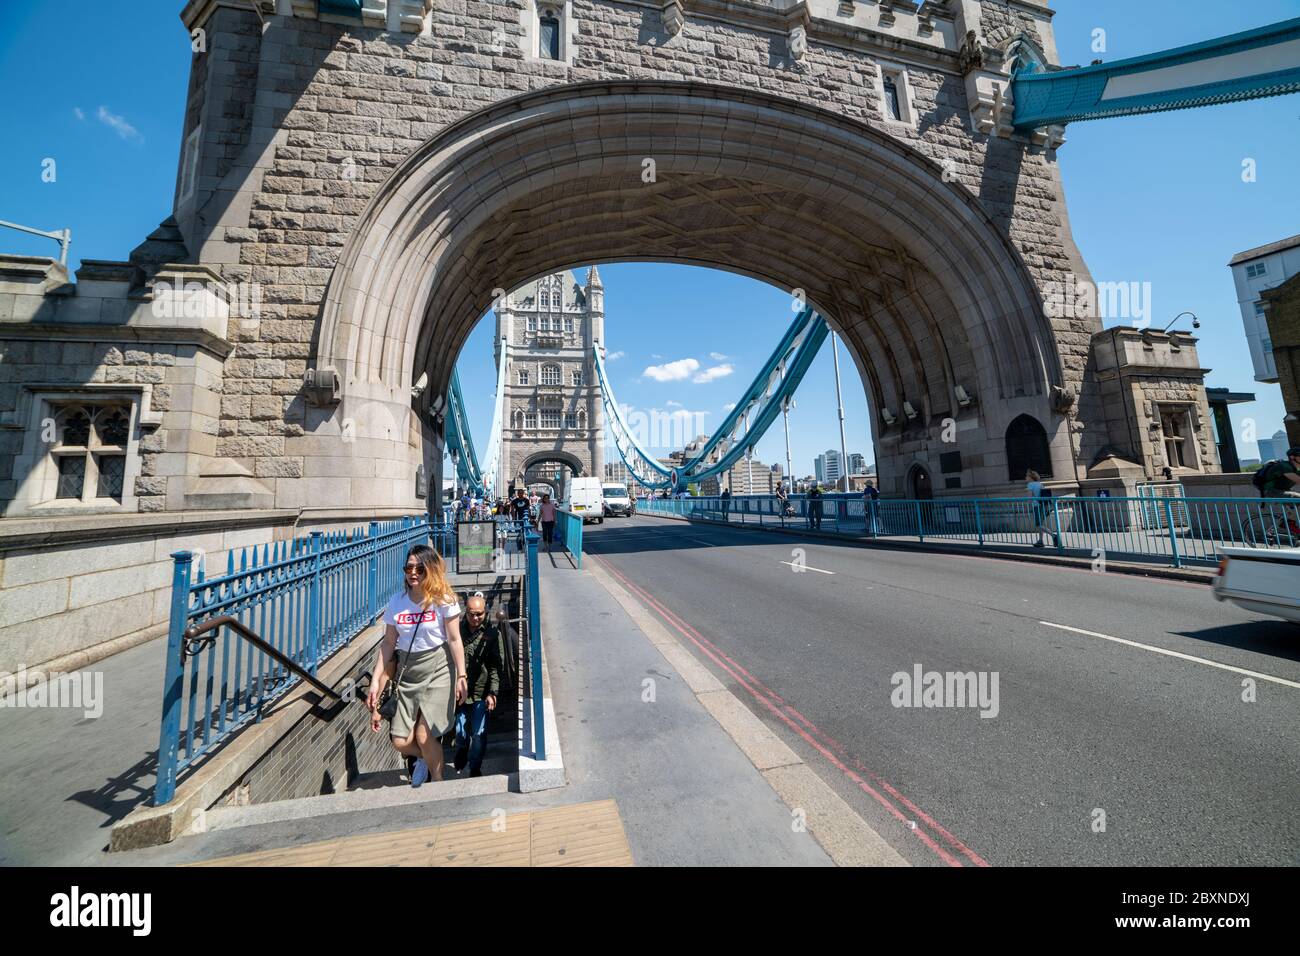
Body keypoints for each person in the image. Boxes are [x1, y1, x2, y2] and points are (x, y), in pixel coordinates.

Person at [367, 544, 468, 787]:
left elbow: (455, 639)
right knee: (400, 740)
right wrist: (375, 682)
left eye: (419, 568)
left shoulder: (443, 600)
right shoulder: (397, 603)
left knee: (424, 734)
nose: (413, 572)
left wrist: (462, 675)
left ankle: (438, 782)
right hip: (408, 671)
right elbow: (389, 644)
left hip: (439, 667)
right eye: (409, 567)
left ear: (430, 569)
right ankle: (427, 758)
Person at [453, 592, 506, 777]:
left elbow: (496, 666)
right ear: (465, 613)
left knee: (478, 733)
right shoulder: (456, 631)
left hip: (481, 693)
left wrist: (493, 692)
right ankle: (461, 749)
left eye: (479, 614)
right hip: (459, 693)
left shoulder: (492, 634)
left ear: (486, 613)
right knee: (460, 732)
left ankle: (475, 767)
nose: (475, 618)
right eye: (471, 613)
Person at [1025, 469, 1059, 548]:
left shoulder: (1030, 485)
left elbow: (1029, 498)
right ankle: (1040, 541)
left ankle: (1053, 535)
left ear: (1031, 477)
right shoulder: (1040, 484)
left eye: (1027, 476)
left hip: (1037, 506)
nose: (1025, 477)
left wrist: (1027, 506)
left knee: (1038, 524)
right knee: (1041, 524)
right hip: (1045, 506)